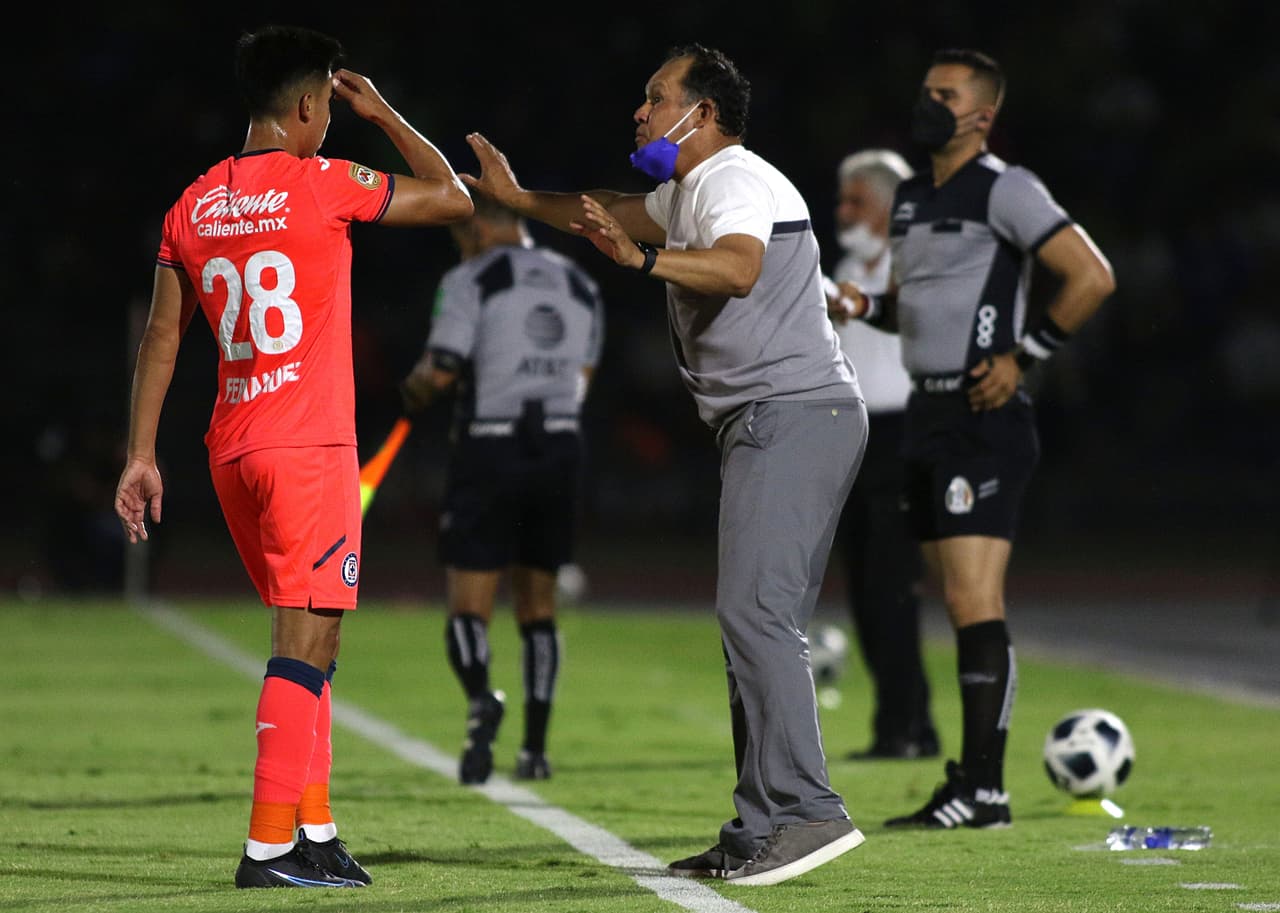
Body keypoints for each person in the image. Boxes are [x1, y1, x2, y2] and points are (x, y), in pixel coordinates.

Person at [462, 43, 868, 886]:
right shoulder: (690, 189)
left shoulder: (732, 179)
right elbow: (602, 208)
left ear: (703, 114)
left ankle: (808, 811)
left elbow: (738, 267)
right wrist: (515, 199)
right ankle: (760, 822)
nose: (640, 114)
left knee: (755, 617)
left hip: (793, 414)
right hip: (779, 419)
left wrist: (640, 261)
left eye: (655, 99)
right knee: (751, 628)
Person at [113, 24, 472, 888]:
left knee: (314, 643)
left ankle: (314, 828)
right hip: (307, 446)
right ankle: (269, 847)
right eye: (328, 110)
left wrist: (140, 455)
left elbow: (163, 333)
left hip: (231, 448)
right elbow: (453, 197)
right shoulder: (322, 183)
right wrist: (383, 112)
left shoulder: (191, 204)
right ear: (311, 105)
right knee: (302, 642)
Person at [837, 48, 1116, 829]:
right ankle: (974, 779)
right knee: (958, 601)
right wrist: (865, 307)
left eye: (946, 94)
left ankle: (982, 788)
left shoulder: (1007, 187)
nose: (928, 102)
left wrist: (1026, 355)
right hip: (926, 417)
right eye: (925, 89)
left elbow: (1091, 274)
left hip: (979, 418)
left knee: (971, 598)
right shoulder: (915, 197)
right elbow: (912, 308)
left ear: (982, 114)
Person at [398, 195, 604, 786]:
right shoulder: (579, 283)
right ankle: (535, 749)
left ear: (477, 228)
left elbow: (439, 370)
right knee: (539, 608)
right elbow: (582, 379)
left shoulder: (471, 278)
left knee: (470, 605)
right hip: (561, 447)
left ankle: (482, 699)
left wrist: (408, 394)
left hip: (490, 447)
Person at [824, 149, 940, 761]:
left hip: (902, 433)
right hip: (854, 433)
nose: (843, 211)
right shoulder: (848, 263)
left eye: (856, 200)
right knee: (867, 589)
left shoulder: (913, 260)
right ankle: (900, 724)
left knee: (893, 587)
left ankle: (910, 726)